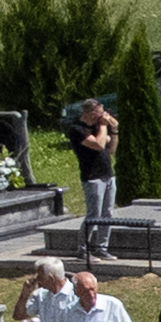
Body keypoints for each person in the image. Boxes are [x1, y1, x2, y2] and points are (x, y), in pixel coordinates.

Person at [63, 97, 121, 258]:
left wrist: (114, 130)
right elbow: (98, 145)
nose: (103, 116)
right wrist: (103, 126)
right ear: (89, 113)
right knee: (93, 215)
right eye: (100, 113)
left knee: (108, 213)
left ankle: (102, 248)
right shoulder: (77, 129)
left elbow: (110, 149)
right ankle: (83, 249)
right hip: (92, 177)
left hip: (108, 174)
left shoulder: (99, 127)